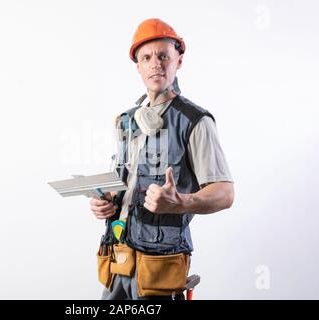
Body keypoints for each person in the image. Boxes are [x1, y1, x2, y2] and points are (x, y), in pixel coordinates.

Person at [90, 18, 234, 300]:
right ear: (138, 66)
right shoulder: (126, 121)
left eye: (163, 56)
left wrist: (181, 202)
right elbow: (123, 185)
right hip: (117, 259)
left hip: (159, 267)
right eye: (146, 57)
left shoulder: (195, 122)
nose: (155, 63)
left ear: (178, 60)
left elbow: (225, 193)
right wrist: (106, 202)